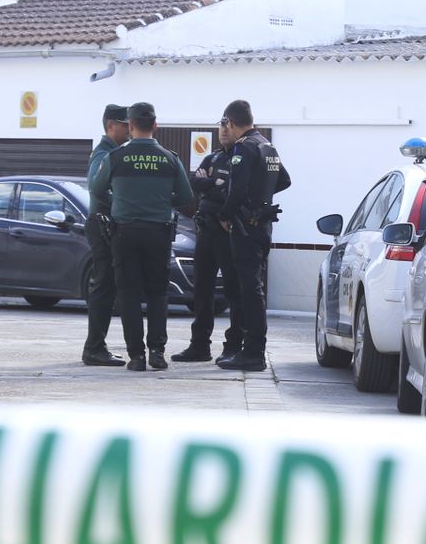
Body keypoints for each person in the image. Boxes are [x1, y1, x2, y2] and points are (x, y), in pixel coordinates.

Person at [91, 101, 193, 372]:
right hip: (158, 233)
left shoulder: (115, 157)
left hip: (124, 234)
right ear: (156, 126)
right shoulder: (170, 158)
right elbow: (185, 197)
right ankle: (157, 353)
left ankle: (136, 357)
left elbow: (96, 189)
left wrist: (120, 202)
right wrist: (159, 200)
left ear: (131, 126)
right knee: (158, 293)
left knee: (129, 294)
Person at [216, 99, 290, 372]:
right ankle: (251, 349)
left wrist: (224, 215)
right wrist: (261, 198)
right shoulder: (267, 145)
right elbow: (284, 180)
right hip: (262, 225)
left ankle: (253, 352)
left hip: (246, 227)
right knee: (253, 288)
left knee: (249, 291)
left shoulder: (243, 148)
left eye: (226, 124)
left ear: (230, 123)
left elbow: (236, 190)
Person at [171, 117, 243, 362]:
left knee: (234, 290)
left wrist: (209, 183)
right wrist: (215, 183)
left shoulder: (241, 158)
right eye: (220, 125)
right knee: (202, 289)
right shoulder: (213, 157)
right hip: (205, 230)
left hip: (228, 231)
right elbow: (194, 182)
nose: (223, 130)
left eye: (227, 125)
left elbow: (231, 191)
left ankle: (234, 346)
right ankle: (199, 345)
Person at [81, 104, 131, 366]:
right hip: (102, 224)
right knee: (103, 287)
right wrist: (120, 206)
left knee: (107, 287)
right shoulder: (104, 153)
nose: (128, 129)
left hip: (106, 224)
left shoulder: (114, 151)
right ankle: (94, 349)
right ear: (111, 125)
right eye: (125, 125)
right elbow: (96, 186)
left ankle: (96, 346)